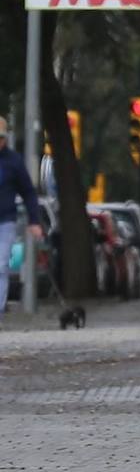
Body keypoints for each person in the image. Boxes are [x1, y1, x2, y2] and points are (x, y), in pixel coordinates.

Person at [0, 117, 44, 320]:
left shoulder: (13, 162)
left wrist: (34, 221)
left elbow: (28, 192)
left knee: (1, 265)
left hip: (5, 221)